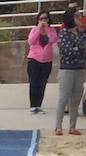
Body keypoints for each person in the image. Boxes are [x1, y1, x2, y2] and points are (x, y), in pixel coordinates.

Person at [55, 7, 86, 135]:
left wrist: (77, 48)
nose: (80, 19)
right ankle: (58, 126)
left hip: (80, 69)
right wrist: (78, 49)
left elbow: (82, 50)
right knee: (63, 98)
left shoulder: (81, 34)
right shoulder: (64, 34)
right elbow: (68, 50)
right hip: (67, 69)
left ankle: (72, 127)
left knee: (76, 98)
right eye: (77, 16)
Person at [26, 10, 57, 114]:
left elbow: (53, 39)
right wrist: (39, 30)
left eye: (45, 18)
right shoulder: (34, 29)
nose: (43, 20)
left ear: (49, 20)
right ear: (38, 20)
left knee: (42, 84)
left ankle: (39, 105)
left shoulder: (51, 30)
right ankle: (33, 105)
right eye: (41, 18)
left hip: (47, 61)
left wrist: (46, 30)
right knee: (34, 83)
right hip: (34, 60)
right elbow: (31, 41)